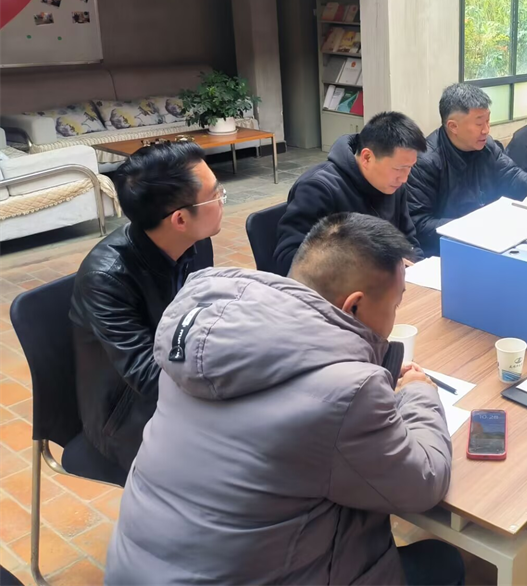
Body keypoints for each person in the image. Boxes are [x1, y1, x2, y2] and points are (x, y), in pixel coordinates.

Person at [106, 213, 464, 586]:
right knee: (442, 562)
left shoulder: (197, 342)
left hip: (136, 571)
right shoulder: (348, 393)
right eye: (395, 305)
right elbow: (423, 483)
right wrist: (419, 392)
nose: (393, 318)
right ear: (353, 306)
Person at [69, 143, 222, 475]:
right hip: (125, 418)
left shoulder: (195, 240)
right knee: (244, 456)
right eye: (215, 195)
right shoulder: (106, 278)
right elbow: (150, 377)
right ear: (180, 219)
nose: (222, 200)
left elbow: (206, 313)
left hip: (179, 380)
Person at [408, 83, 527, 255]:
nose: (486, 130)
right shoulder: (425, 162)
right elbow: (420, 223)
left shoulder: (487, 147)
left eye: (487, 121)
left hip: (488, 240)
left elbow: (512, 177)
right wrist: (473, 225)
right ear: (453, 126)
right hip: (447, 251)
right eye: (479, 123)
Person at [274, 111, 426, 275]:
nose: (404, 178)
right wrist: (375, 266)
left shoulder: (394, 186)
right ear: (367, 158)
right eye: (398, 169)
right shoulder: (318, 189)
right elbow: (290, 259)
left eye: (410, 168)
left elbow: (409, 243)